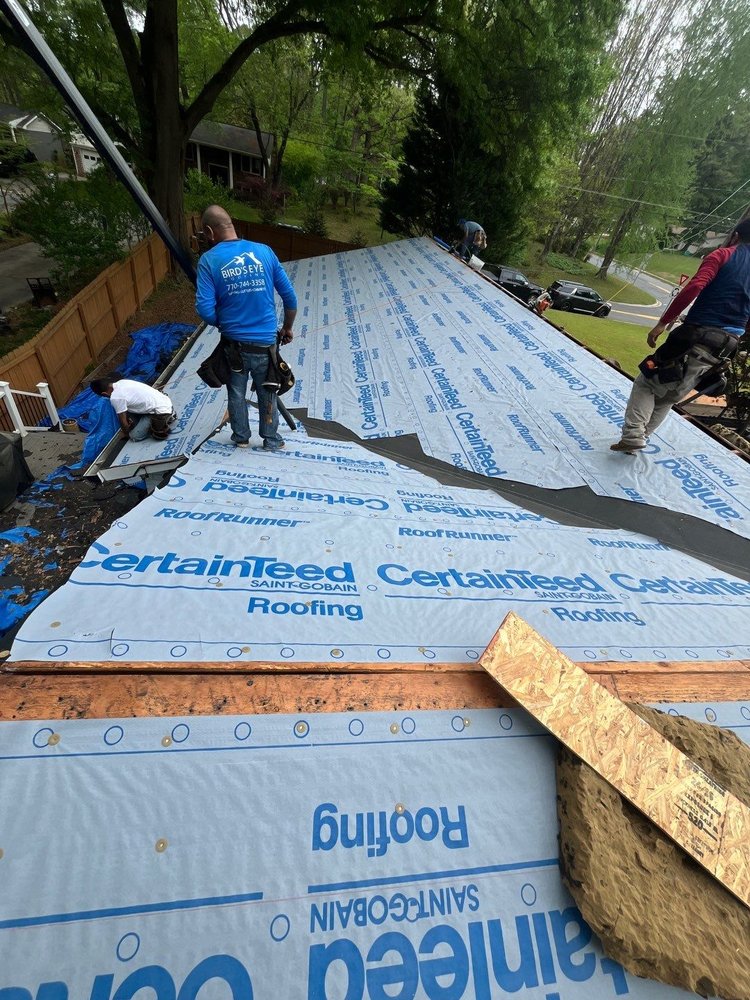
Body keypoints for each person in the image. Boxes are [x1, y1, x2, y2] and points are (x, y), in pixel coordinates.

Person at [611, 217, 750, 453]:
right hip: (725, 348)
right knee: (669, 395)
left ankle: (634, 435)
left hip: (696, 337)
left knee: (647, 382)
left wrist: (663, 322)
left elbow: (695, 287)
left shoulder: (722, 255)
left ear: (735, 237)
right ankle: (636, 440)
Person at [195, 205, 297, 451]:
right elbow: (290, 298)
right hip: (265, 344)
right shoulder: (264, 252)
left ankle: (241, 437)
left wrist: (226, 321)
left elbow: (205, 310)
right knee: (268, 391)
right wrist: (287, 328)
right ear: (231, 225)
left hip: (234, 347)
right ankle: (272, 440)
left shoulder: (209, 260)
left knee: (236, 393)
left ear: (209, 232)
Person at [90, 377, 177, 441]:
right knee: (128, 410)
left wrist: (126, 433)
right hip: (164, 401)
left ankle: (164, 420)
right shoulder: (122, 382)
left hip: (161, 412)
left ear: (104, 393)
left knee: (134, 436)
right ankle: (163, 416)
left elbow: (122, 421)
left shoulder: (115, 397)